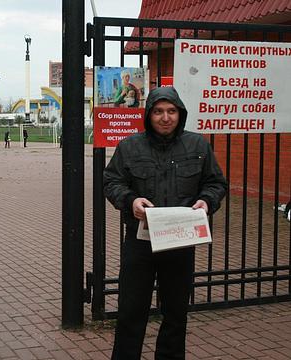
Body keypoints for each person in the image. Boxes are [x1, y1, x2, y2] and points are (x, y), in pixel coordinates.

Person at [103, 86, 227, 360]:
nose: (165, 117)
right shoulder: (129, 146)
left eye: (171, 111)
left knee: (176, 313)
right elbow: (112, 181)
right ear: (148, 115)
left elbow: (215, 183)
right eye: (158, 111)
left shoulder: (198, 145)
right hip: (140, 242)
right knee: (131, 311)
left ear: (180, 114)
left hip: (180, 241)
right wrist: (131, 201)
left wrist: (206, 201)